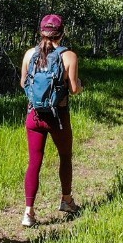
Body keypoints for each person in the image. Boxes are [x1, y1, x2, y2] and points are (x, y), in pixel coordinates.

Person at [20, 14, 83, 227]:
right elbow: (73, 89)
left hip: (34, 116)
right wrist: (79, 85)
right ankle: (66, 200)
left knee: (34, 162)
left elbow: (23, 83)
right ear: (62, 33)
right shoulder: (69, 56)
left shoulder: (30, 54)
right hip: (58, 116)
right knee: (65, 156)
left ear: (41, 32)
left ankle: (28, 212)